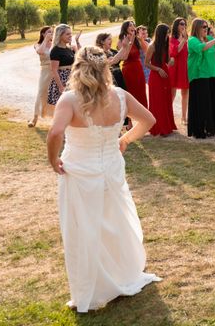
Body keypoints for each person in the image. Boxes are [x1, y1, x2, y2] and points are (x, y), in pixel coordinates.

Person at [46, 46, 161, 313]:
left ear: (78, 68)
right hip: (110, 167)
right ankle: (121, 274)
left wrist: (53, 160)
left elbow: (55, 134)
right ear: (105, 68)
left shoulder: (70, 99)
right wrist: (125, 140)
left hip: (79, 171)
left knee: (83, 227)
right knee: (114, 221)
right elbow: (148, 120)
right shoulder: (120, 96)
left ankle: (96, 287)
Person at [187, 18, 215, 138]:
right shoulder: (192, 40)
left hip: (210, 74)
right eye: (204, 27)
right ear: (197, 28)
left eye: (207, 27)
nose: (206, 29)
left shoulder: (209, 39)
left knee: (212, 102)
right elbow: (202, 47)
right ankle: (199, 129)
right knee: (202, 103)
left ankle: (212, 127)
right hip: (198, 76)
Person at [145, 24, 177, 136]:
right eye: (167, 33)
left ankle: (167, 125)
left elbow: (167, 60)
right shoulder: (152, 46)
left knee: (166, 100)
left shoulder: (165, 44)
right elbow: (146, 63)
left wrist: (171, 61)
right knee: (158, 101)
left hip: (165, 74)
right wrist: (158, 69)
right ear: (161, 33)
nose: (168, 35)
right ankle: (159, 127)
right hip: (156, 75)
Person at [48, 24, 81, 107]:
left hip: (72, 79)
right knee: (65, 107)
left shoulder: (69, 48)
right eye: (67, 34)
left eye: (71, 33)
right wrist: (61, 87)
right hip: (63, 81)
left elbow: (81, 57)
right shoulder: (55, 50)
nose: (70, 36)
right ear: (60, 35)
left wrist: (77, 41)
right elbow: (54, 70)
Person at [29, 26, 54, 127]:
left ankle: (54, 118)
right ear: (43, 34)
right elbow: (40, 51)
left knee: (54, 94)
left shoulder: (55, 44)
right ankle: (35, 118)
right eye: (49, 32)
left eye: (52, 32)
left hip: (55, 71)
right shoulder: (38, 44)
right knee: (41, 93)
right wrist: (46, 40)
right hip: (45, 72)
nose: (51, 34)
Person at [120, 20, 148, 108]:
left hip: (138, 69)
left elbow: (147, 50)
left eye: (134, 25)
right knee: (130, 93)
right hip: (128, 70)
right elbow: (124, 57)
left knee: (141, 93)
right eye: (130, 26)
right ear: (125, 28)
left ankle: (144, 115)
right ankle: (130, 119)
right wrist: (129, 43)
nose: (133, 27)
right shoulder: (122, 41)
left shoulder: (137, 40)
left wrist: (141, 39)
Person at [169, 17, 189, 125]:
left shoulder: (186, 38)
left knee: (185, 93)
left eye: (185, 24)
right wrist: (183, 40)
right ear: (176, 25)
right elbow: (175, 52)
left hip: (184, 67)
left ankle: (183, 117)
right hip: (175, 68)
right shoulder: (171, 39)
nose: (183, 26)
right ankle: (168, 115)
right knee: (172, 94)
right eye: (181, 24)